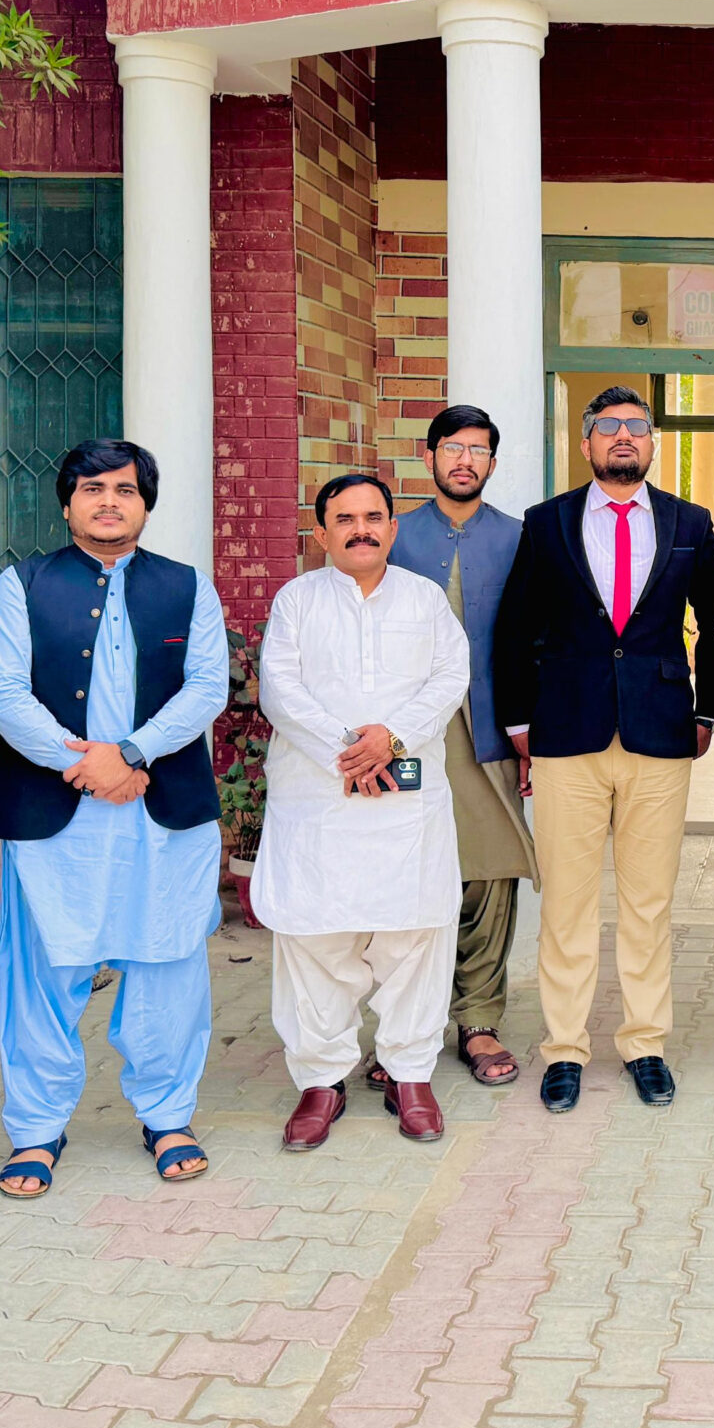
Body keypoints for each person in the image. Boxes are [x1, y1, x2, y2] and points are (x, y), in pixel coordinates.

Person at [0, 441, 228, 1198]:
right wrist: (80, 762)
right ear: (67, 504)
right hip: (55, 808)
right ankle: (35, 1129)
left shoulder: (189, 588)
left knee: (168, 960)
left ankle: (167, 1115)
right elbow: (4, 693)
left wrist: (129, 753)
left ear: (146, 505)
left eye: (125, 489)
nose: (109, 501)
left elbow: (207, 686)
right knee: (44, 971)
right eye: (93, 489)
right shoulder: (19, 586)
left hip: (161, 805)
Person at [494, 385, 714, 1113]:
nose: (623, 437)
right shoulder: (547, 522)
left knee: (648, 902)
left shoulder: (690, 522)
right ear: (588, 443)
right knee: (566, 899)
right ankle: (564, 1048)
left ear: (652, 442)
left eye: (637, 427)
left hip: (660, 730)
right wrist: (520, 725)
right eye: (609, 428)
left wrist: (710, 712)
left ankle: (645, 1043)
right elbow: (514, 628)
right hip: (567, 733)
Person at [258, 474, 472, 1149]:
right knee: (315, 939)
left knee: (415, 936)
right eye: (344, 518)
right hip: (319, 798)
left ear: (393, 527)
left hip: (407, 802)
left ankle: (410, 1074)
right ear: (320, 532)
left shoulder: (425, 599)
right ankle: (320, 1082)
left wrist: (391, 737)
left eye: (374, 516)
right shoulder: (297, 600)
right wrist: (349, 749)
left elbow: (450, 678)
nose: (361, 528)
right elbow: (279, 689)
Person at [390, 403, 535, 1089]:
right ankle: (402, 1023)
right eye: (453, 448)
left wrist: (534, 731)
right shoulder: (390, 534)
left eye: (478, 449)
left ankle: (478, 1016)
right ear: (430, 457)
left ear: (493, 464)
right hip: (406, 729)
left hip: (491, 725)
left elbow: (538, 639)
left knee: (489, 871)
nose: (464, 460)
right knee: (405, 871)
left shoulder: (519, 537)